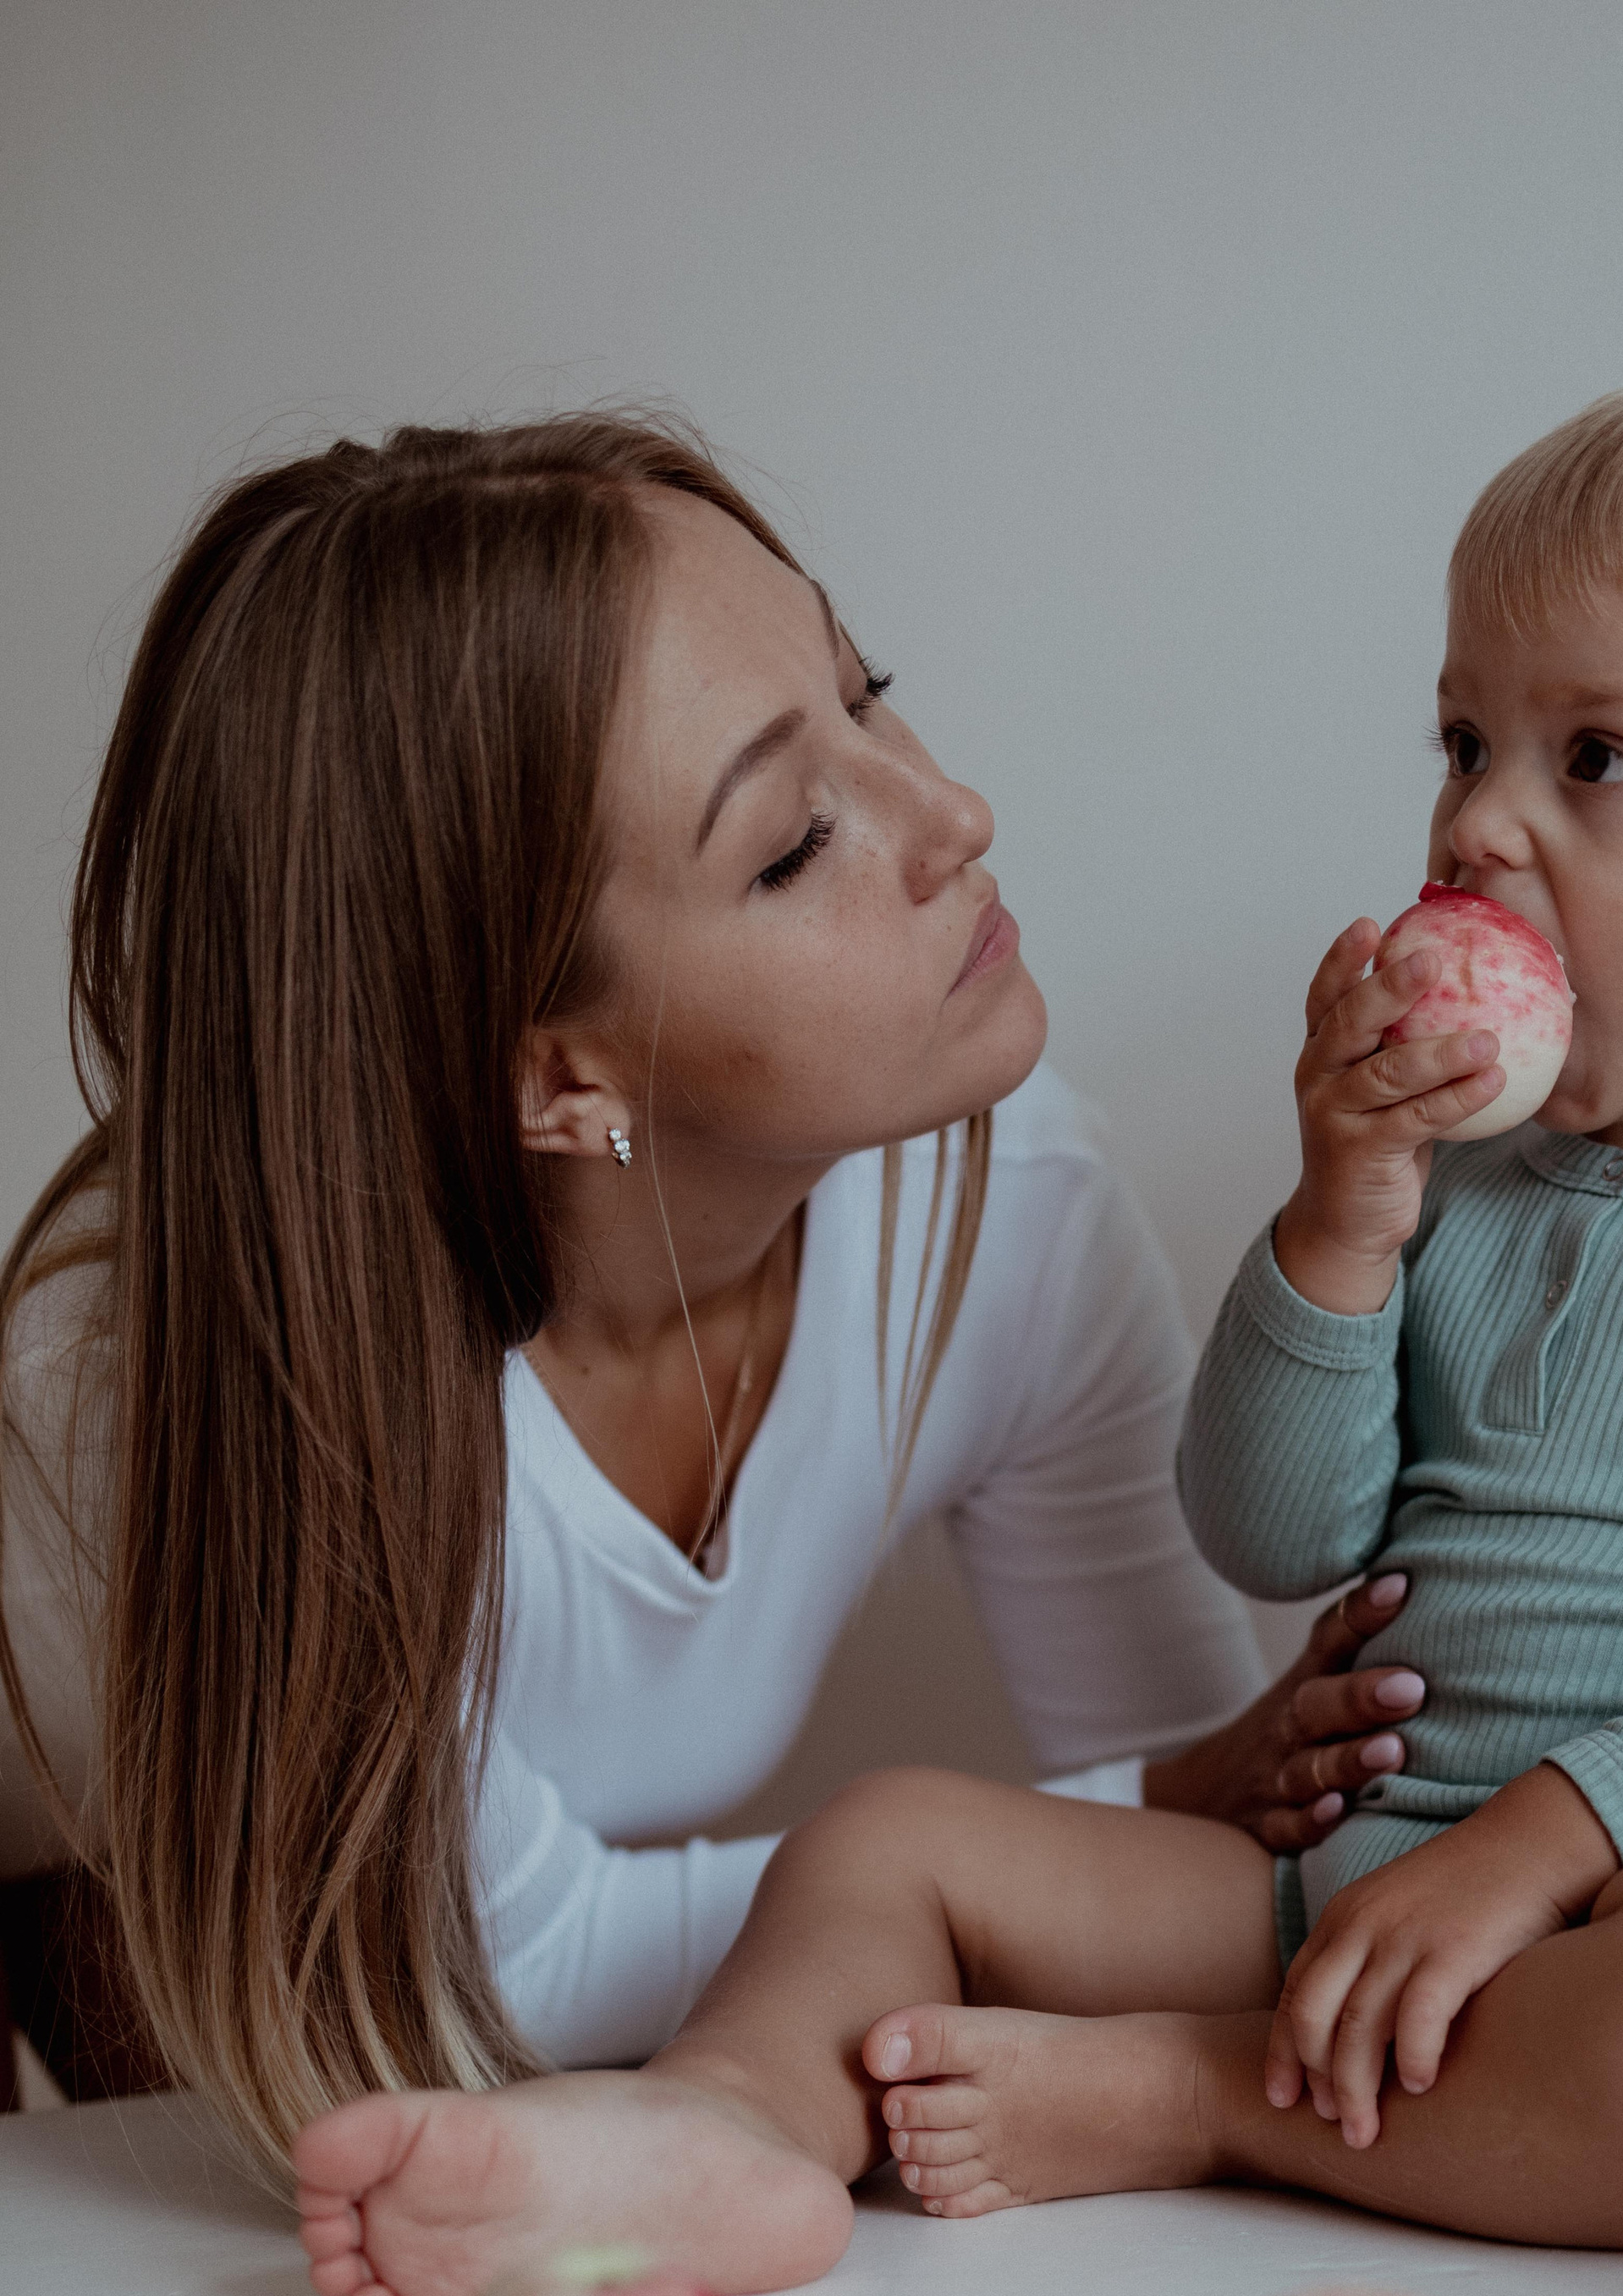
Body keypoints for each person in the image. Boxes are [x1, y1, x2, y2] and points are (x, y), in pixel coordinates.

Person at [294, 358, 1623, 2296]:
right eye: (1461, 737)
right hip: (1334, 1883)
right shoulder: (1453, 1182)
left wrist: (1541, 1846)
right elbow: (1270, 1529)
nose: (1475, 821)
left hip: (1613, 1914)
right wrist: (1338, 1221)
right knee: (894, 1835)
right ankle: (723, 2124)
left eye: (1591, 760)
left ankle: (1192, 2102)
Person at [0, 411, 1443, 2150]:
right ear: (557, 1077)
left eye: (867, 688)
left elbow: (1192, 1862)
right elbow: (460, 1969)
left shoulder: (1004, 1212)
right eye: (787, 843)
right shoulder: (156, 1390)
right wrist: (1006, 1857)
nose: (953, 812)